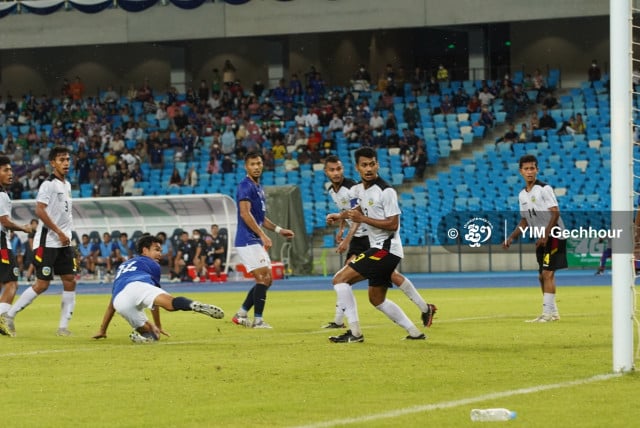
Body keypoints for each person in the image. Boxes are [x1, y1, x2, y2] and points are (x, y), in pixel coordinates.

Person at [322, 155, 436, 331]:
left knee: (343, 279)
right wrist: (340, 220)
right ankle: (418, 323)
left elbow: (370, 219)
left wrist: (347, 238)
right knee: (371, 291)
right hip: (372, 241)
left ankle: (352, 329)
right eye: (332, 170)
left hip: (372, 240)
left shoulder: (362, 188)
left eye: (338, 169)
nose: (336, 173)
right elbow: (355, 211)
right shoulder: (345, 190)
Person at [0, 146, 77, 337]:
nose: (66, 163)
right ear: (52, 163)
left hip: (65, 241)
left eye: (67, 159)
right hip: (47, 241)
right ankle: (9, 314)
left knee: (70, 280)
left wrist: (67, 235)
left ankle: (62, 327)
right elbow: (40, 211)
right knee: (42, 284)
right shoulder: (48, 185)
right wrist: (58, 232)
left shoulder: (67, 185)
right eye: (61, 160)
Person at [91, 234, 224, 343]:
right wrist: (159, 325)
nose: (160, 254)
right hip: (140, 286)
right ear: (145, 250)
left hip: (120, 300)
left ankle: (146, 337)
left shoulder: (123, 266)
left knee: (152, 333)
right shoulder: (152, 264)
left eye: (160, 250)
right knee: (171, 303)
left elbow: (111, 305)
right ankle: (192, 304)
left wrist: (103, 330)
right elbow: (155, 304)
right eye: (157, 250)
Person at [231, 152, 295, 329]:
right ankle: (258, 321)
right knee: (263, 277)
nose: (257, 167)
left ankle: (241, 314)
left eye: (259, 163)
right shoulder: (245, 186)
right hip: (246, 240)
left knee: (267, 279)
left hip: (253, 239)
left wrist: (279, 230)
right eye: (252, 164)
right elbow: (245, 214)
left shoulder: (258, 187)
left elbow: (261, 218)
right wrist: (262, 235)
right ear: (246, 166)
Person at [502, 154, 567, 322]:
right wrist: (511, 237)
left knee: (547, 274)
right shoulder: (522, 195)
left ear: (537, 170)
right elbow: (525, 220)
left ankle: (546, 315)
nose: (529, 172)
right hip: (541, 238)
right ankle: (553, 313)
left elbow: (555, 213)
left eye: (532, 168)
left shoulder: (545, 189)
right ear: (520, 171)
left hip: (554, 234)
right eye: (526, 169)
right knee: (542, 276)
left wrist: (546, 235)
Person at [0, 156, 34, 323]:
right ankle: (1, 320)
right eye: (5, 170)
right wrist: (24, 228)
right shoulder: (1, 195)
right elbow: (5, 221)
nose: (10, 173)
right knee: (12, 282)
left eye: (11, 169)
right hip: (1, 246)